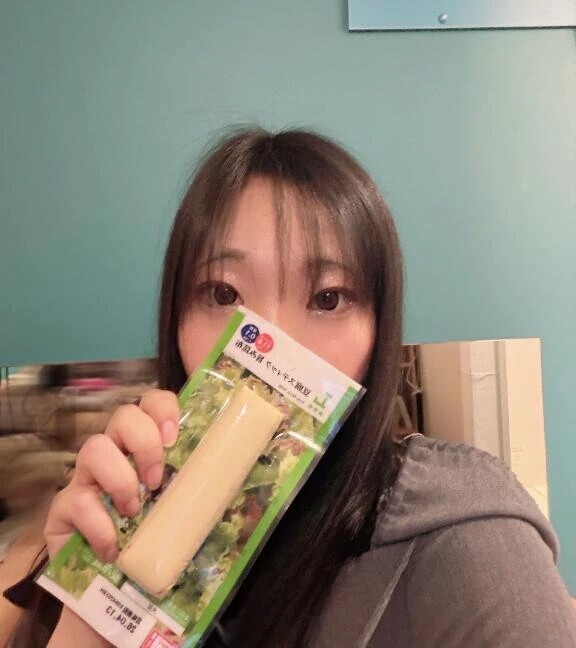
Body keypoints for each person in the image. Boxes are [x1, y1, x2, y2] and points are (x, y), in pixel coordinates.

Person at [5, 128, 576, 647]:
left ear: (379, 330)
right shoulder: (116, 505)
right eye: (223, 294)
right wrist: (92, 618)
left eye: (327, 298)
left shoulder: (467, 541)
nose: (271, 343)